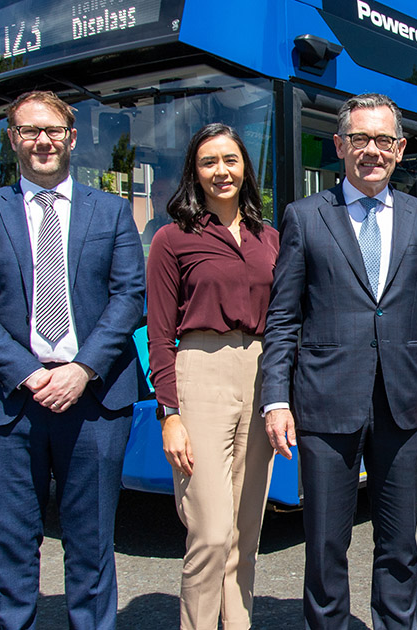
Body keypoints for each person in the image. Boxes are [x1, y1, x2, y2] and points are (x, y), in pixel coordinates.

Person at [0, 90, 146, 630]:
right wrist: (30, 373)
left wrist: (81, 369)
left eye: (53, 130)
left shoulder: (112, 211)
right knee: (11, 546)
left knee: (92, 544)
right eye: (30, 130)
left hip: (94, 401)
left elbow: (129, 296)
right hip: (8, 403)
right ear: (13, 139)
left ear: (71, 138)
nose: (43, 141)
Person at [261, 93, 417, 630]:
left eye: (384, 140)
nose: (373, 150)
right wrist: (276, 399)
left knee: (399, 543)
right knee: (325, 545)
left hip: (403, 404)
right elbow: (283, 318)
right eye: (361, 139)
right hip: (326, 404)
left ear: (400, 148)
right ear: (340, 145)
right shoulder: (304, 217)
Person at [146, 124, 278, 629]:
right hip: (200, 370)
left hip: (260, 374)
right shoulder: (172, 239)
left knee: (246, 533)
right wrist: (170, 414)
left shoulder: (270, 238)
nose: (221, 171)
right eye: (208, 162)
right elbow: (160, 333)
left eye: (230, 160)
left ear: (245, 168)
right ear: (194, 173)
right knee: (210, 532)